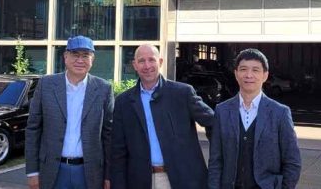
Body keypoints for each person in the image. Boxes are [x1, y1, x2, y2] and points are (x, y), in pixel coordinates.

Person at [110, 44, 215, 189]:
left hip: (182, 180)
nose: (147, 66)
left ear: (160, 62)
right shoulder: (124, 102)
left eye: (151, 60)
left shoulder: (182, 93)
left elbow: (214, 123)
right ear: (134, 65)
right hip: (140, 181)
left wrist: (217, 161)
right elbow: (117, 151)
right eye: (141, 61)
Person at [25, 35, 114, 189]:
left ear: (92, 59)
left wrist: (108, 175)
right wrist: (32, 172)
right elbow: (33, 129)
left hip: (90, 173)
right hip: (53, 170)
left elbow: (109, 135)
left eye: (85, 55)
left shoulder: (104, 89)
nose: (80, 60)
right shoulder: (46, 85)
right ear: (65, 57)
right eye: (75, 54)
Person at [208, 48, 301, 189]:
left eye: (255, 70)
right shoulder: (222, 111)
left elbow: (292, 162)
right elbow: (216, 160)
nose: (249, 75)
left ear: (265, 75)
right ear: (236, 74)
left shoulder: (280, 113)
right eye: (243, 69)